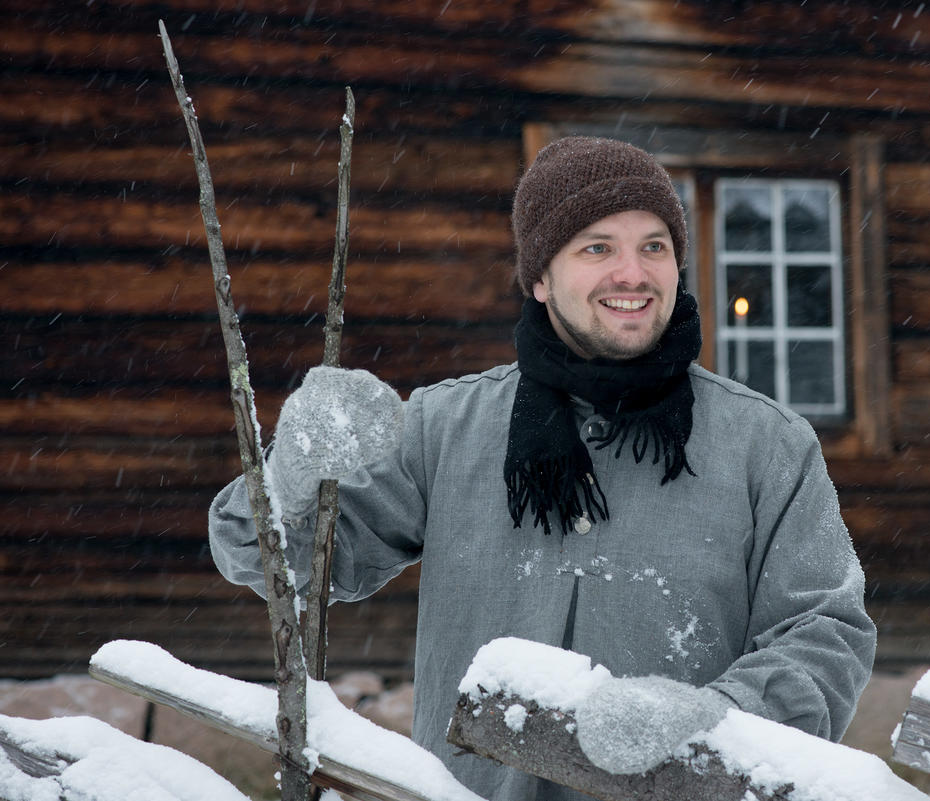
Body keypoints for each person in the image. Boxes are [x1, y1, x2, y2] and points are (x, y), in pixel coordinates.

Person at [209, 136, 876, 801]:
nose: (633, 273)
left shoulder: (766, 444)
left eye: (654, 245)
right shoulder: (445, 429)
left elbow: (827, 633)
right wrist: (292, 472)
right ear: (539, 276)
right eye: (597, 247)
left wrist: (719, 716)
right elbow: (275, 562)